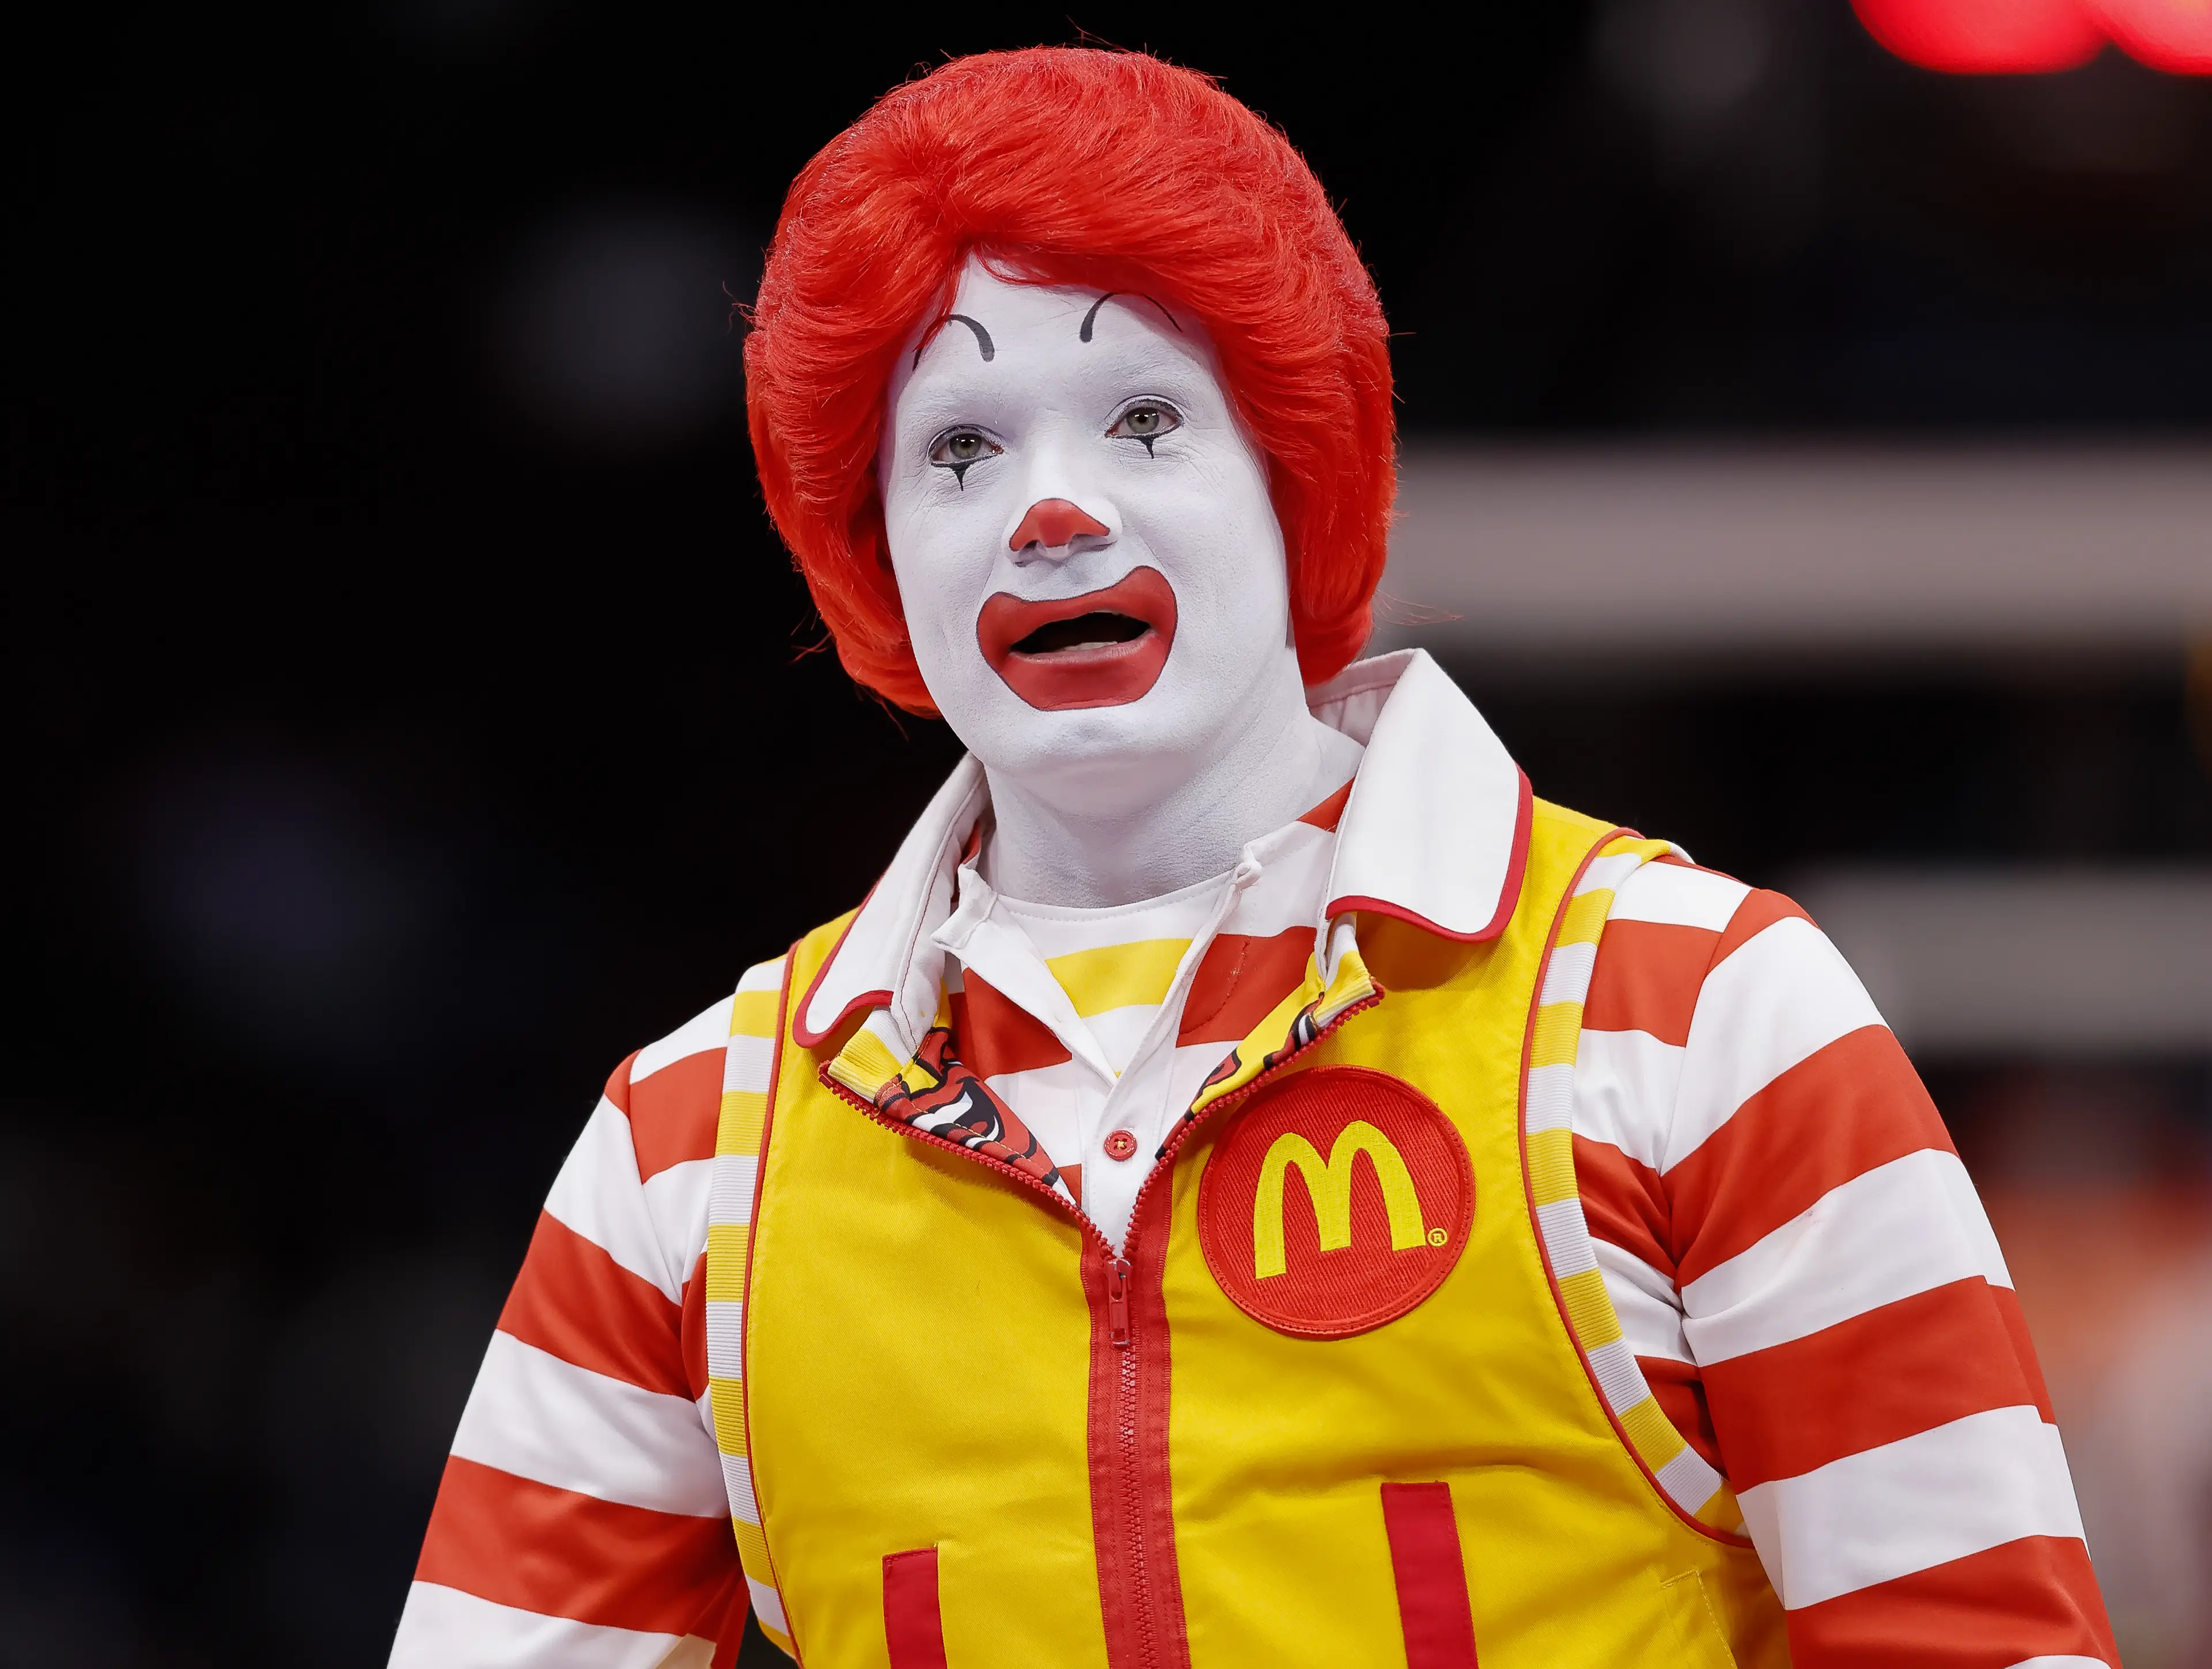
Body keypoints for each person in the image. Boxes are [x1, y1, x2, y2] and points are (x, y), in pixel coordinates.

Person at [389, 47, 2116, 1669]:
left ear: (1296, 474)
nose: (1051, 511)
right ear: (873, 550)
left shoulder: (1703, 1019)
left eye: (1146, 422)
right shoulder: (691, 1162)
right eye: (961, 450)